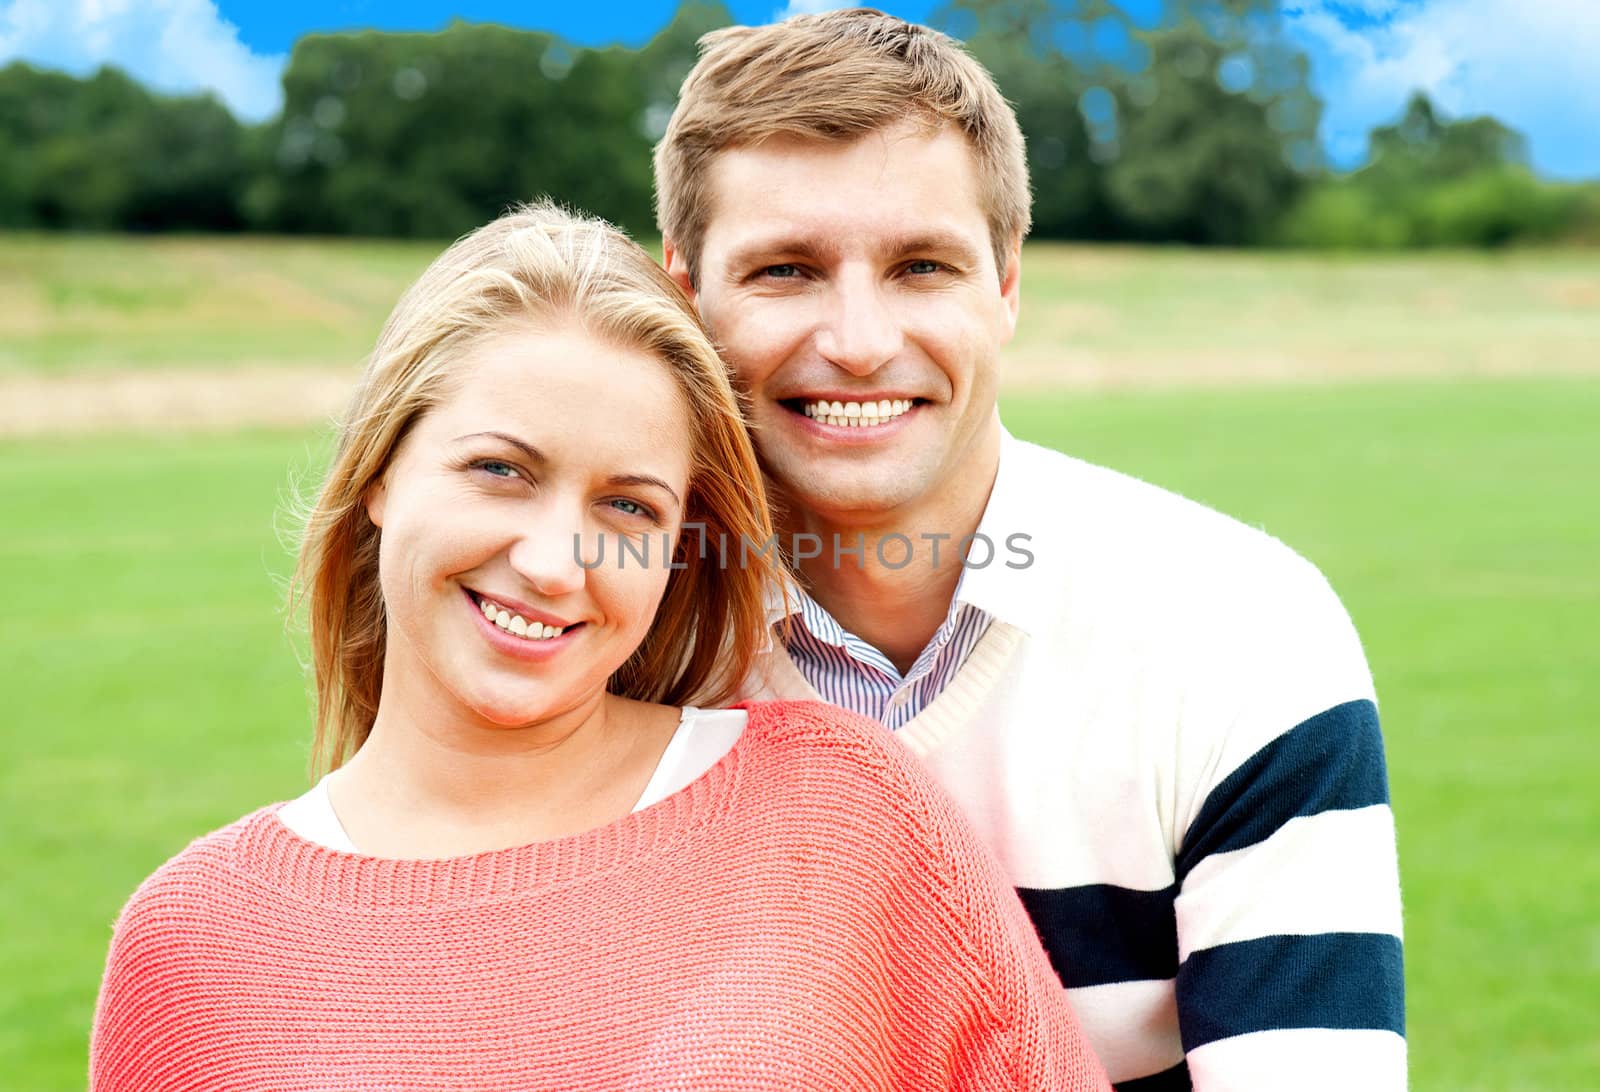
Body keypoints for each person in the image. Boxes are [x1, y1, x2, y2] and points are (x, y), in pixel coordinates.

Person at [89, 205, 1112, 1091]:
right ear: (382, 472)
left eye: (627, 506)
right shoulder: (195, 941)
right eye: (499, 470)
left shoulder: (837, 811)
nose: (552, 562)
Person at [654, 10, 1405, 1091]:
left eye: (921, 266)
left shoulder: (1243, 630)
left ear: (1005, 285)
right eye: (784, 270)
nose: (859, 342)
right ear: (686, 297)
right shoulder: (609, 639)